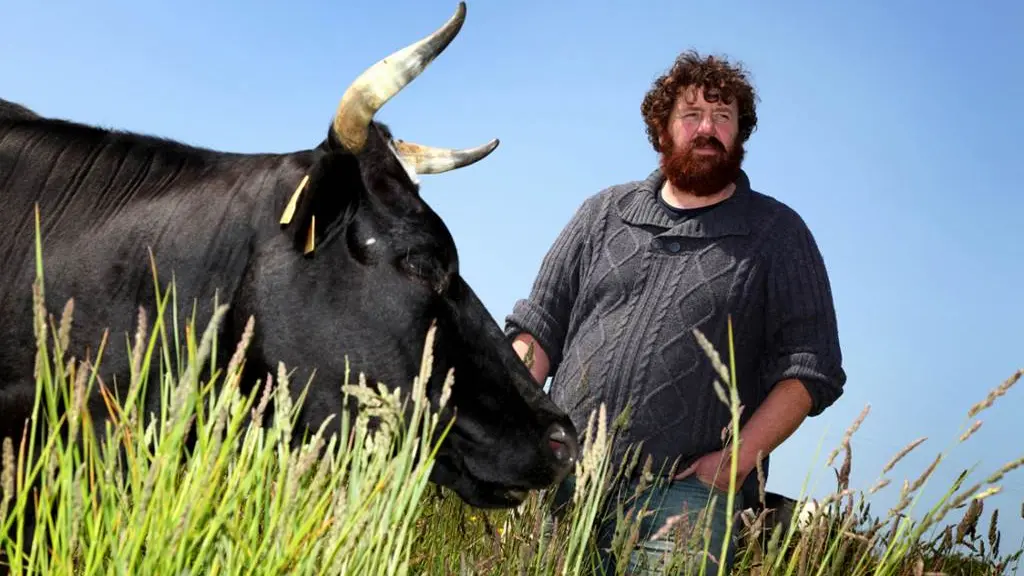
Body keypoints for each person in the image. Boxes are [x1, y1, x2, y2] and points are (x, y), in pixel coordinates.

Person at [504, 49, 846, 573]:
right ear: (662, 129)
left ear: (740, 135)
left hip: (684, 497)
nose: (707, 128)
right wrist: (516, 425)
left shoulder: (778, 234)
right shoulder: (602, 214)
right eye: (691, 115)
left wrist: (735, 465)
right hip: (560, 480)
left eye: (723, 117)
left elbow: (810, 368)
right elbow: (538, 329)